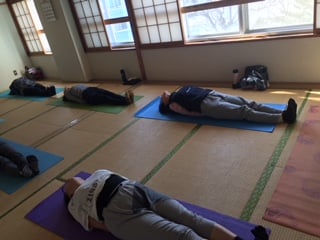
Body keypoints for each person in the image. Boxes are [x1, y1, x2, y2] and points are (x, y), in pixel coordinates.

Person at [63, 169, 269, 240]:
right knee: (182, 234)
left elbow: (124, 178)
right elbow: (98, 225)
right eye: (67, 187)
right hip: (116, 213)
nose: (71, 181)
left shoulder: (98, 172)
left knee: (191, 219)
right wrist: (128, 229)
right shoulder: (74, 206)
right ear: (70, 195)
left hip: (135, 189)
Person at [159, 86, 297, 124]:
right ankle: (283, 118)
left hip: (212, 94)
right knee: (243, 111)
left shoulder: (179, 90)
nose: (163, 95)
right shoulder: (172, 105)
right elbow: (187, 113)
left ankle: (282, 111)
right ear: (165, 104)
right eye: (162, 98)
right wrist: (203, 114)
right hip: (207, 106)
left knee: (249, 103)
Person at [63, 84, 134, 105]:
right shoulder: (68, 95)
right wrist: (87, 102)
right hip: (88, 94)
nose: (66, 88)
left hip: (90, 90)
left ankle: (125, 99)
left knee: (107, 94)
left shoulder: (73, 88)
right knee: (106, 96)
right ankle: (125, 101)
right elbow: (78, 100)